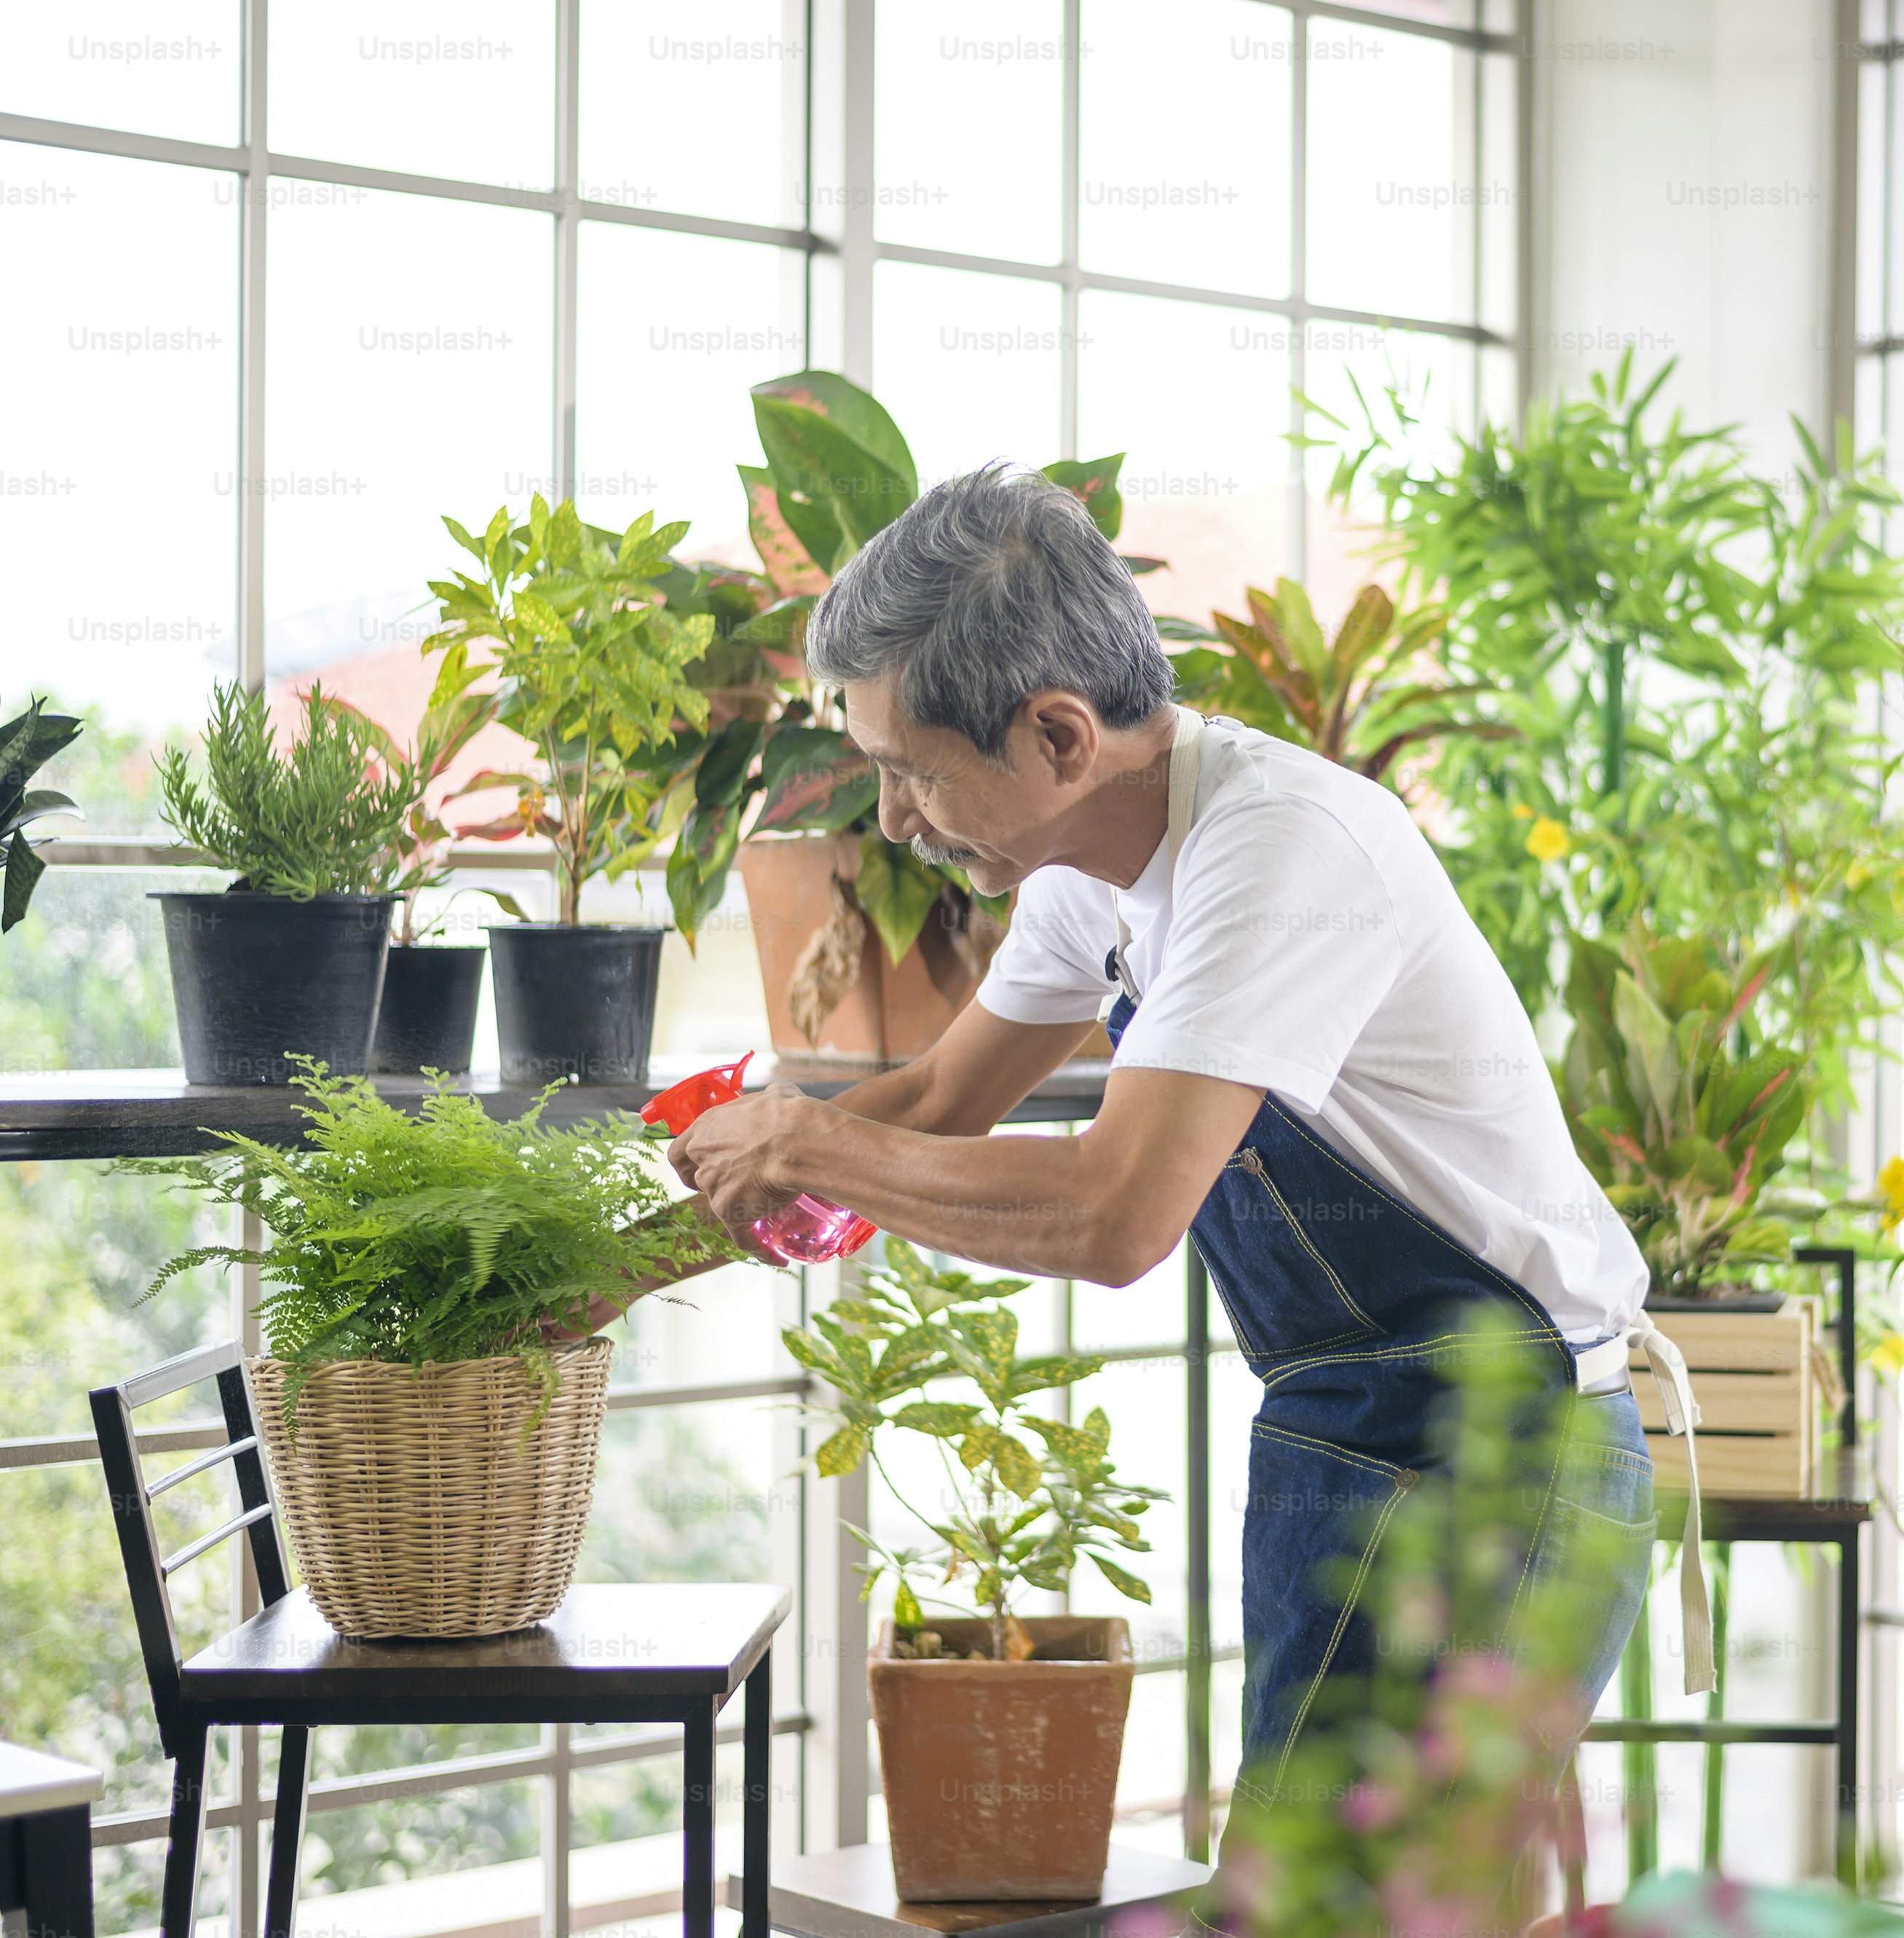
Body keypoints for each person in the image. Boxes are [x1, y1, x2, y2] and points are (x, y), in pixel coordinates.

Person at [663, 463, 1713, 1824]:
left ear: (1056, 738)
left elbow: (1116, 1213)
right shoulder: (1082, 875)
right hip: (1342, 1437)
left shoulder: (1280, 849)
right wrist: (625, 1259)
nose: (893, 821)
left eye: (909, 772)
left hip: (1505, 1464)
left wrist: (803, 1142)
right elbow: (932, 1109)